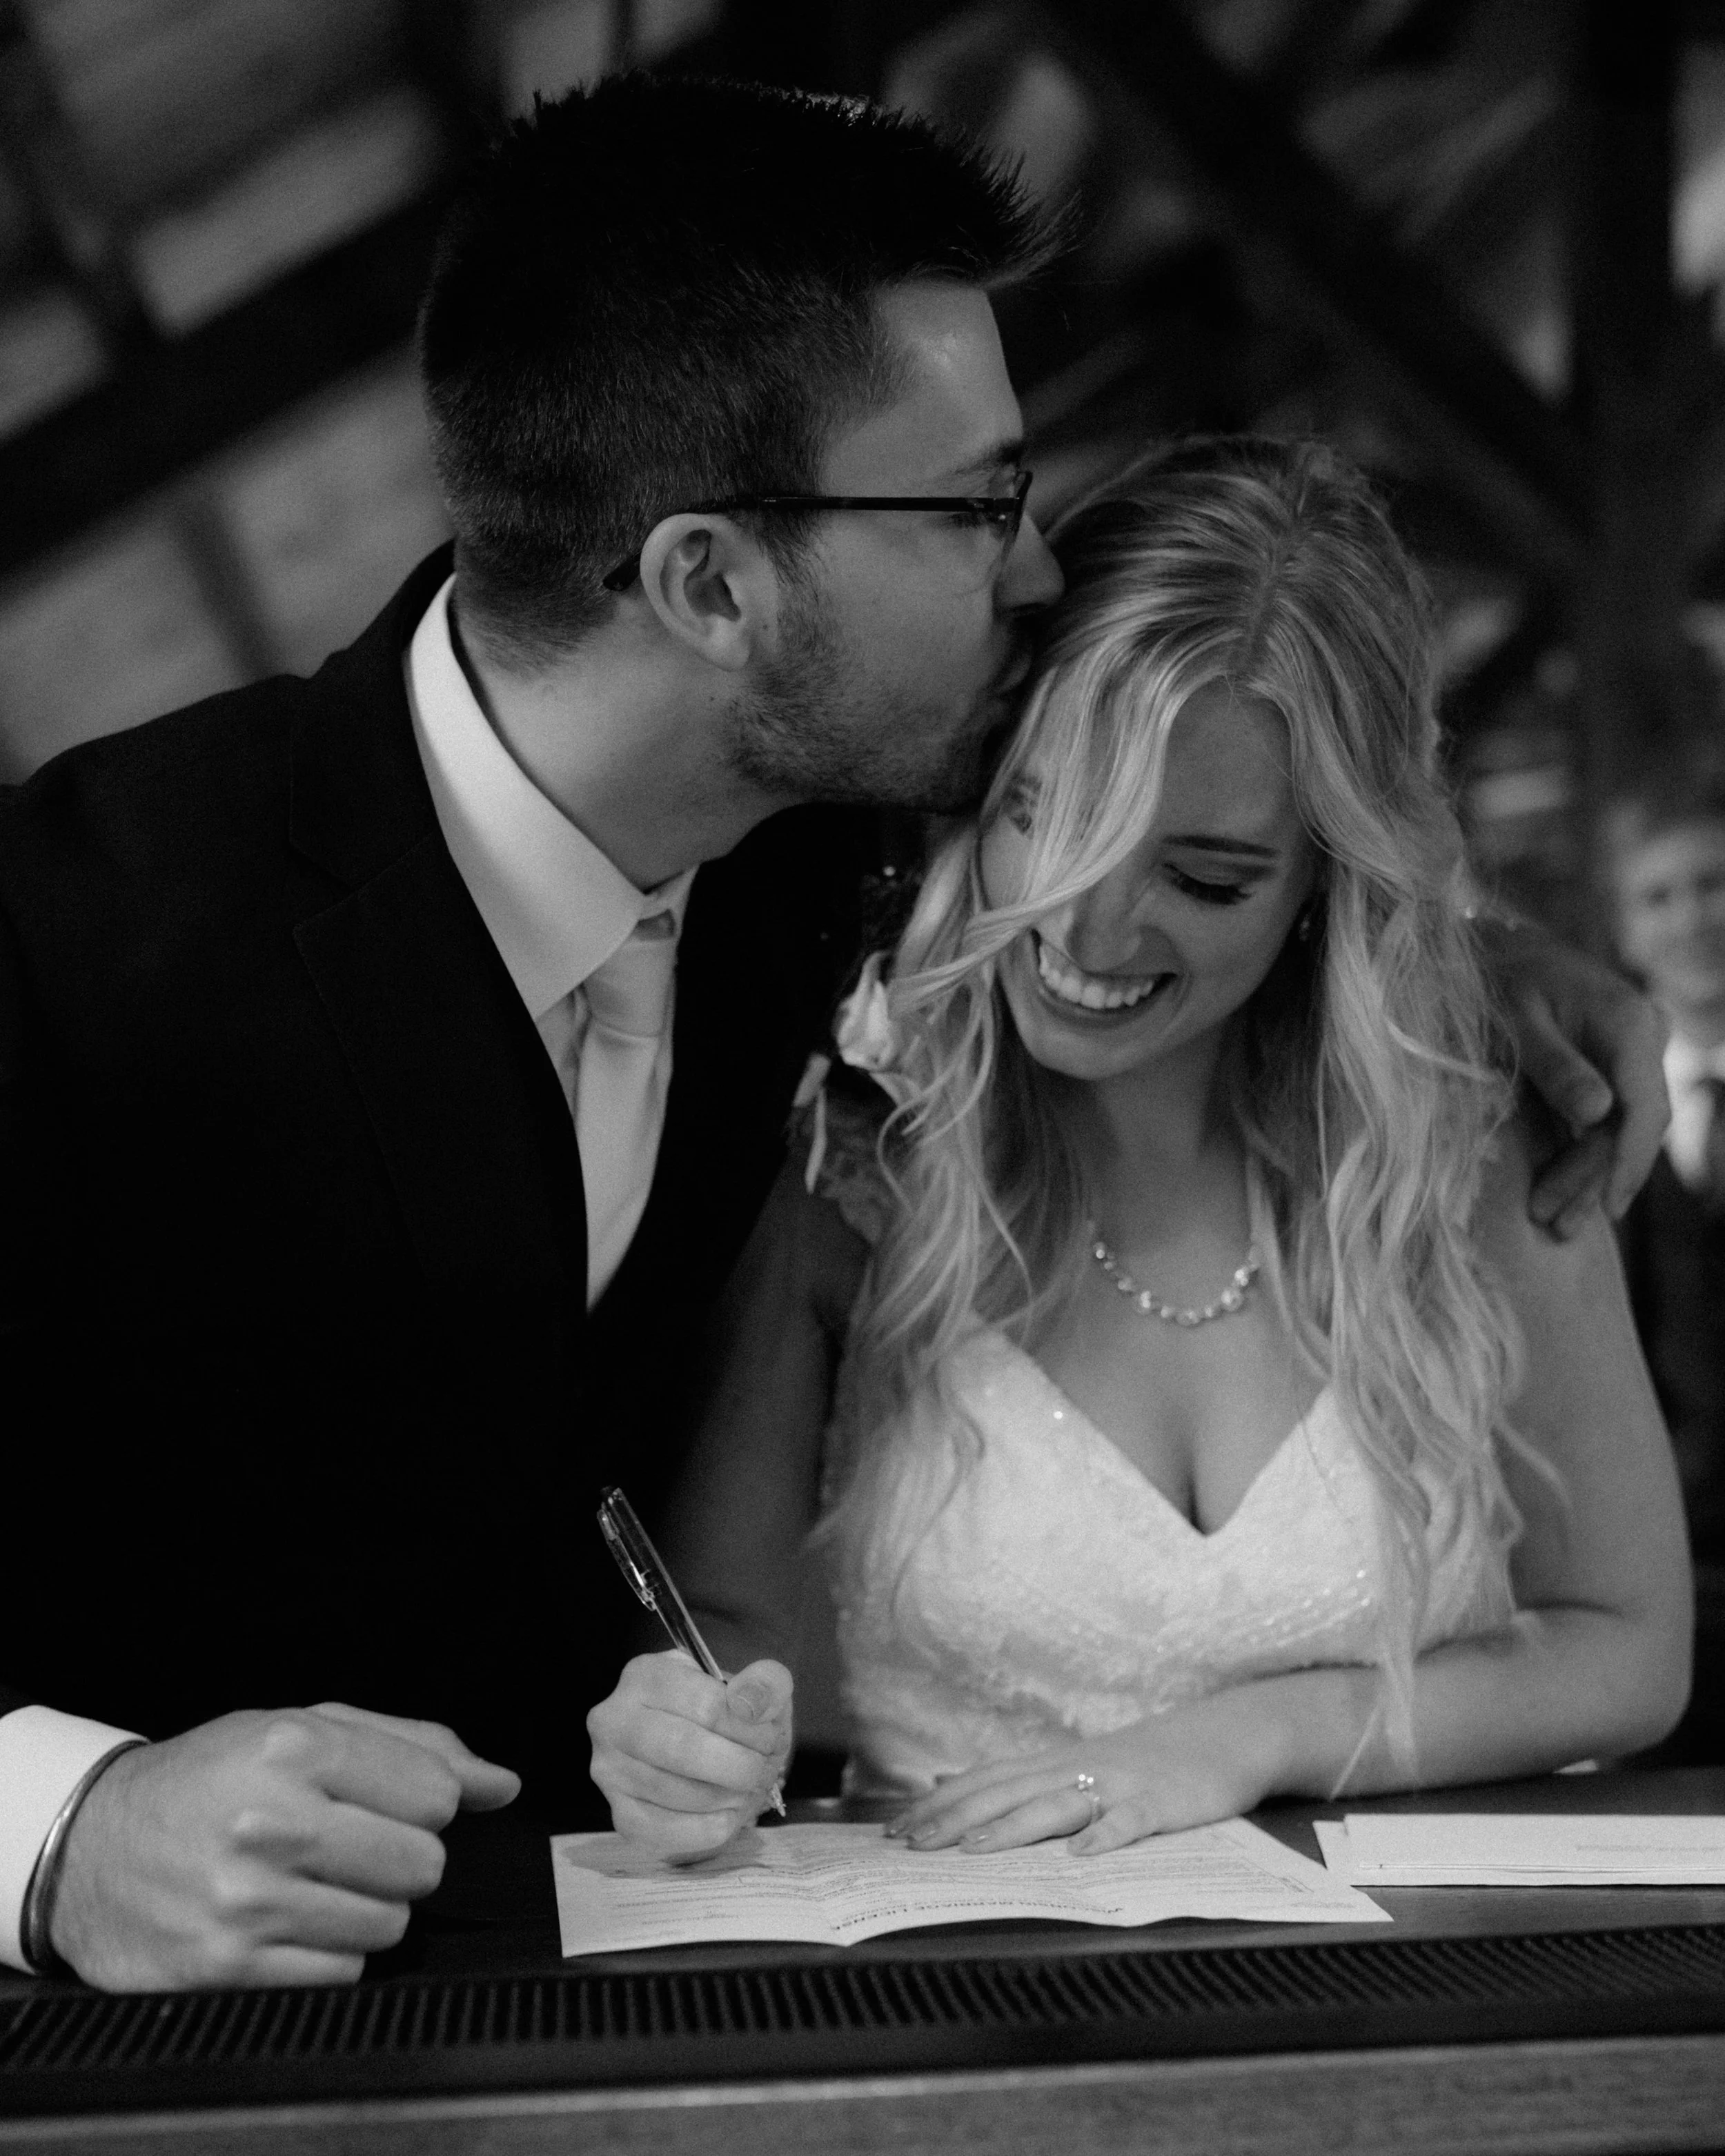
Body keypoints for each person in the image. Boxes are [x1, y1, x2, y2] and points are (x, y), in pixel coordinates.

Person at [0, 68, 1665, 1991]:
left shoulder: (825, 842)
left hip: (672, 2016)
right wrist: (57, 1829)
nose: (1034, 573)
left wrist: (1476, 949)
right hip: (150, 2067)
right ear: (710, 581)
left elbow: (1198, 825)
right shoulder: (74, 947)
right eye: (977, 509)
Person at [587, 440, 1691, 1861]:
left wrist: (1245, 1740)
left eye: (1201, 875)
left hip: (1414, 1993)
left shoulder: (1469, 1156)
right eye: (1042, 816)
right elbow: (720, 1625)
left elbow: (1628, 1644)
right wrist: (677, 1731)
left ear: (1321, 884)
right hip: (968, 1983)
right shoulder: (849, 1163)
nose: (1088, 936)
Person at [1610, 765, 1725, 1763]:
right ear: (1627, 929)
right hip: (1670, 1602)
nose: (1692, 918)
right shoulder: (1584, 1116)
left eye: (1714, 882)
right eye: (1659, 895)